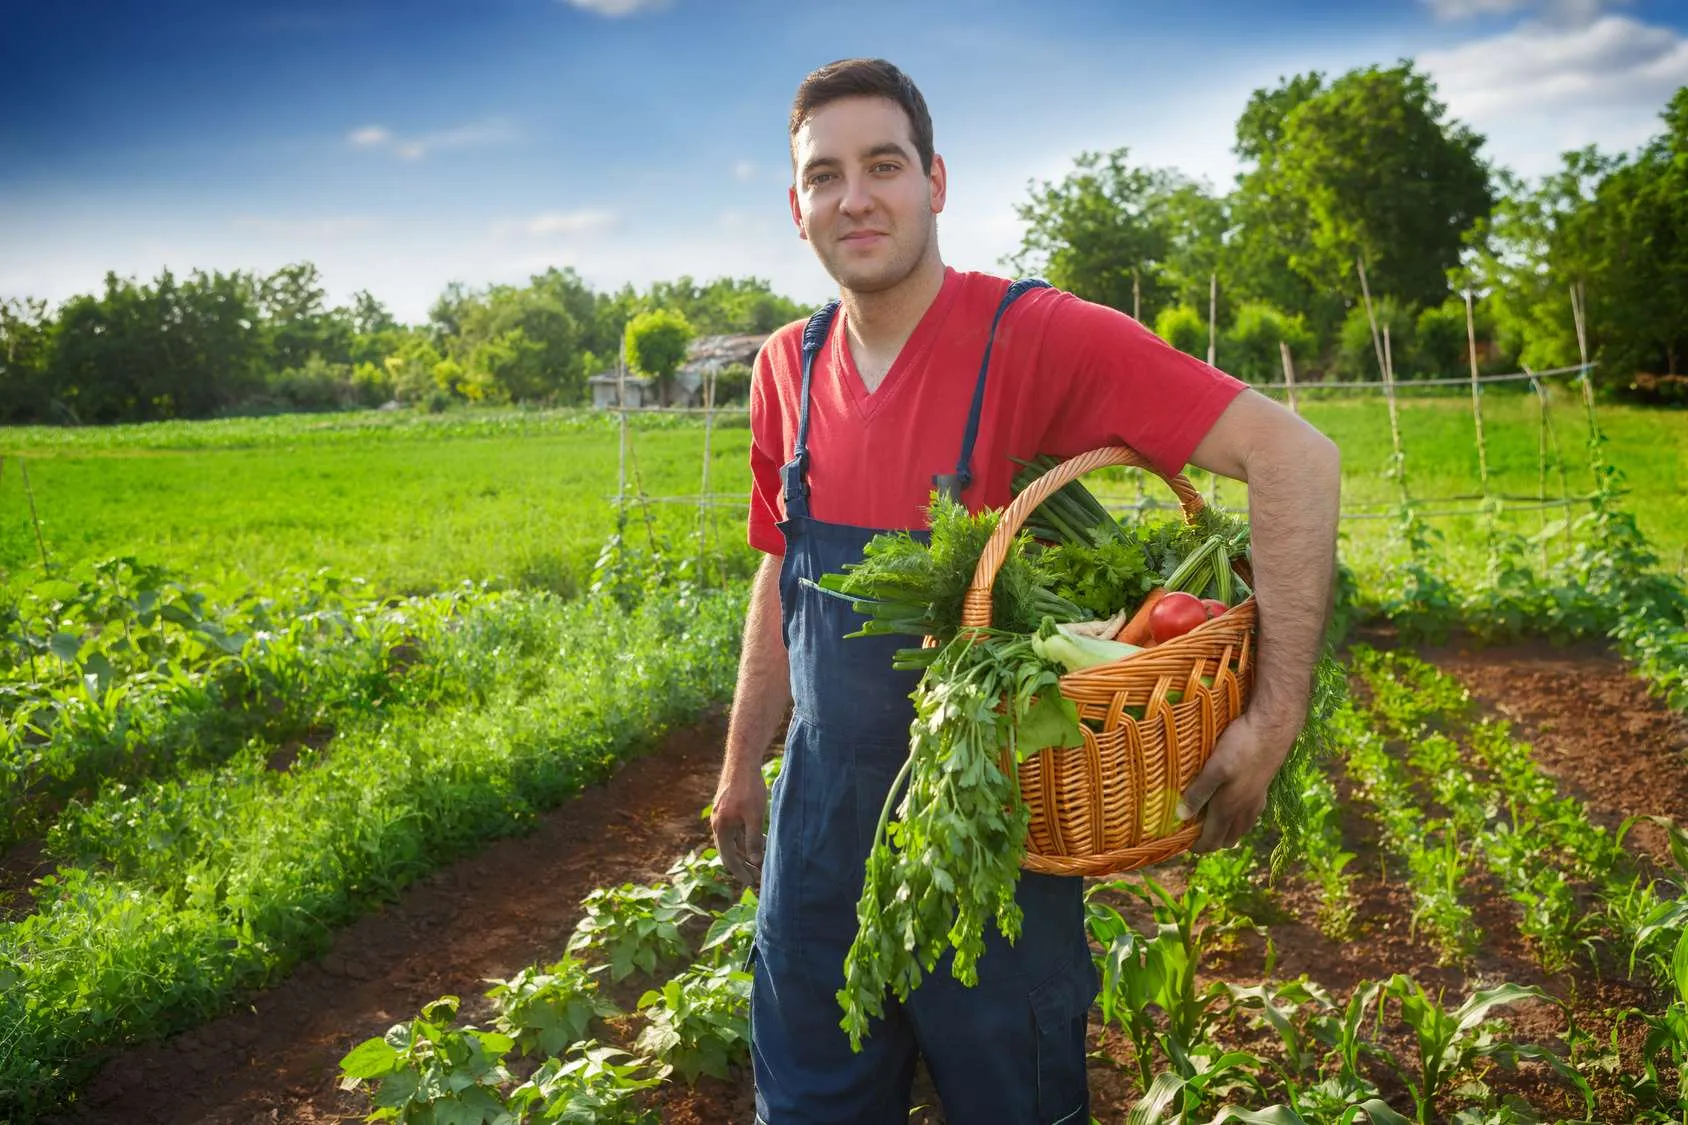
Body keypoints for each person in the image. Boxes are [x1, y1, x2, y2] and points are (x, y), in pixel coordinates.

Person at [709, 57, 1341, 1125]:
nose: (853, 196)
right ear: (796, 206)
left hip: (990, 832)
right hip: (818, 839)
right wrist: (739, 768)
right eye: (824, 176)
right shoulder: (785, 364)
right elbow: (782, 570)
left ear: (935, 182)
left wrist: (1273, 714)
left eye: (883, 165)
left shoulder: (1031, 334)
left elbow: (1295, 458)